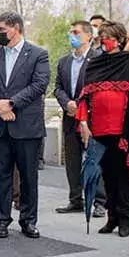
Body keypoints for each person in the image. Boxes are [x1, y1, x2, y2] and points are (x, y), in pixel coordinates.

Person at [76, 22, 129, 237]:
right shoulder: (95, 64)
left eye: (109, 36)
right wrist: (83, 122)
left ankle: (124, 217)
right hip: (100, 130)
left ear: (120, 39)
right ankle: (111, 217)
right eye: (102, 36)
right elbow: (84, 97)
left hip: (124, 130)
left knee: (124, 174)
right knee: (108, 175)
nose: (105, 40)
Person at [0, 11, 51, 239]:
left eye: (1, 30)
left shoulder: (38, 54)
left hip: (26, 125)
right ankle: (1, 219)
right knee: (0, 174)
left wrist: (11, 103)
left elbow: (39, 84)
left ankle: (28, 220)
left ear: (16, 28)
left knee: (29, 177)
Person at [54, 20, 105, 217]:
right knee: (72, 161)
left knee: (95, 160)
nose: (71, 36)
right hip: (70, 117)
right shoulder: (64, 62)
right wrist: (67, 103)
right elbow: (57, 87)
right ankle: (75, 198)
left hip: (92, 119)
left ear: (88, 36)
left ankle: (100, 201)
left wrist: (81, 106)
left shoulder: (99, 59)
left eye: (75, 32)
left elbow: (98, 88)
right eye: (70, 32)